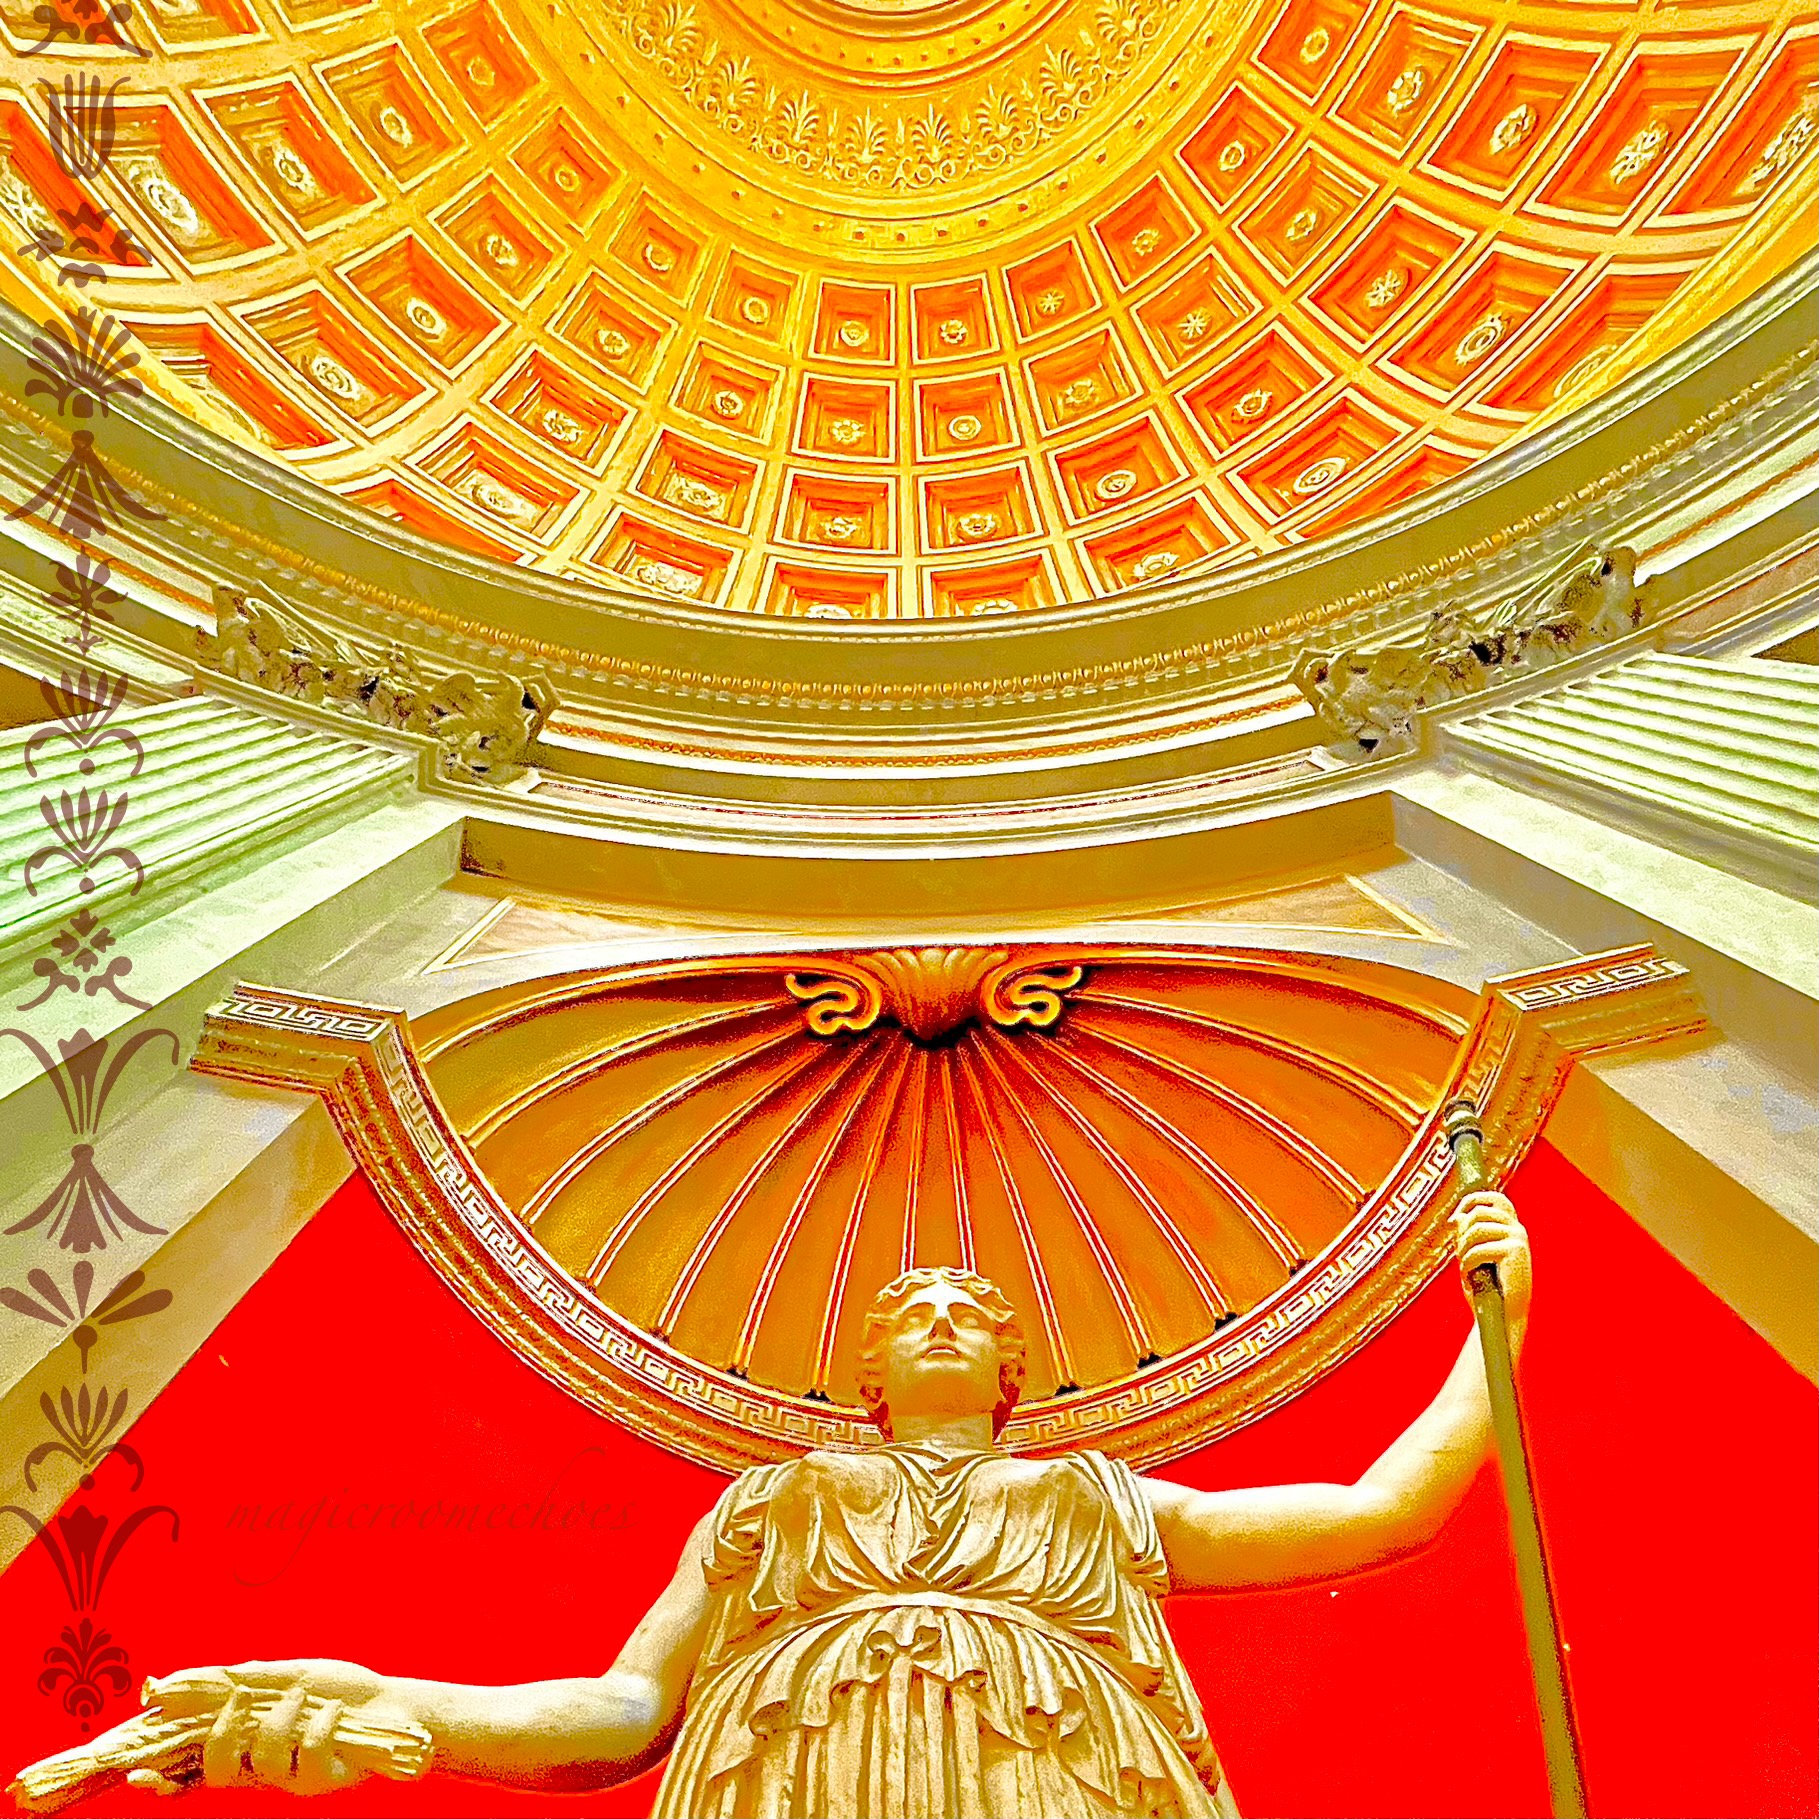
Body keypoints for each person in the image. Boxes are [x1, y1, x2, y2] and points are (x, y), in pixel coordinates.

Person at [125, 1192, 1532, 1817]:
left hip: (1065, 1777)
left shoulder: (1094, 1496)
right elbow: (623, 1712)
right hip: (787, 1775)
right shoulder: (774, 1500)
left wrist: (1498, 1325)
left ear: (1013, 1370)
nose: (940, 1319)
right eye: (910, 1310)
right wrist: (396, 1707)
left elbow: (1381, 1511)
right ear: (868, 1372)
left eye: (967, 1310)